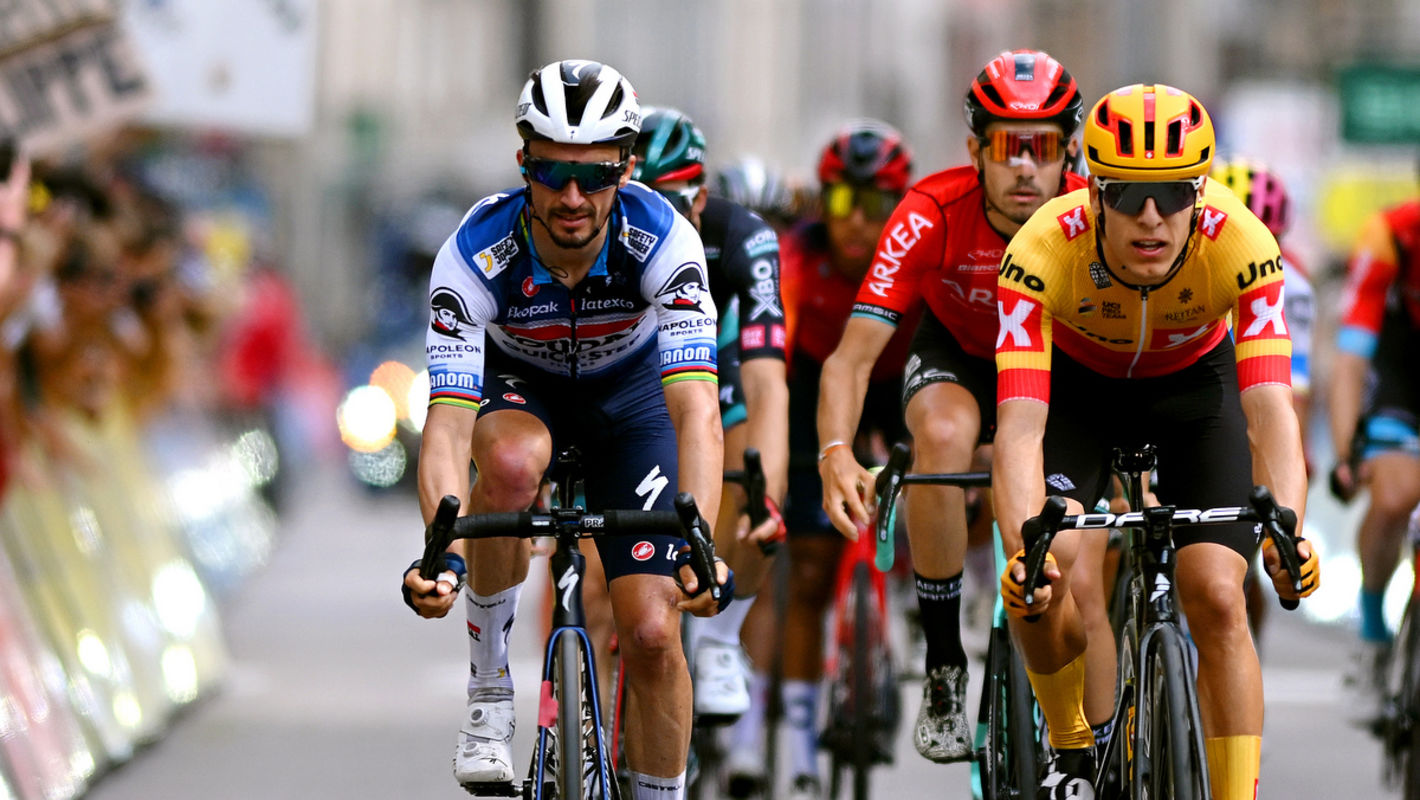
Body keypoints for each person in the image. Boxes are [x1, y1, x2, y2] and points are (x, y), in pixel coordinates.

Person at [401, 60, 730, 800]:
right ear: (523, 162)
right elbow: (449, 430)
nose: (574, 196)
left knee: (651, 632)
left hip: (633, 402)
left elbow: (696, 413)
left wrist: (700, 538)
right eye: (551, 172)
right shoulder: (475, 253)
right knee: (512, 464)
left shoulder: (663, 241)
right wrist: (440, 553)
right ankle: (488, 695)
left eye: (597, 174)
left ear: (628, 166)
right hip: (527, 390)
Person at [991, 84, 1319, 800]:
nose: (1150, 217)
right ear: (1092, 190)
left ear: (1201, 192)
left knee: (1219, 599)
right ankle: (1072, 748)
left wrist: (1289, 532)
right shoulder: (1042, 248)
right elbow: (1019, 429)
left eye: (1173, 195)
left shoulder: (1243, 243)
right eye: (1127, 194)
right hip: (1080, 395)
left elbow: (1270, 408)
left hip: (1195, 394)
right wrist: (1026, 548)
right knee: (1046, 585)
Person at [815, 49, 1093, 763]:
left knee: (1078, 559)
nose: (1027, 167)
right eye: (1008, 147)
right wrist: (837, 454)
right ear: (975, 150)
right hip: (960, 355)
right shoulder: (930, 210)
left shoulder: (1099, 213)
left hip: (1062, 368)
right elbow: (850, 358)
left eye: (1045, 148)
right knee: (941, 438)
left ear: (1071, 153)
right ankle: (943, 662)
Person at [726, 119, 917, 800]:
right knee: (806, 571)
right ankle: (793, 744)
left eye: (877, 208)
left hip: (896, 381)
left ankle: (930, 594)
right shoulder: (797, 253)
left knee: (940, 475)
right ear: (819, 203)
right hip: (814, 383)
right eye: (843, 203)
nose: (859, 224)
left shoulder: (917, 249)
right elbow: (774, 353)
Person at [630, 106, 790, 718]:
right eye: (638, 199)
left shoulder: (744, 239)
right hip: (623, 382)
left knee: (756, 482)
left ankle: (722, 639)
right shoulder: (597, 232)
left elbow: (767, 381)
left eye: (673, 202)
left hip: (712, 376)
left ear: (701, 198)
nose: (655, 220)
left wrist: (766, 491)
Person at [1209, 157, 1316, 652]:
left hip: (1251, 399)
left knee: (1238, 563)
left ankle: (1245, 649)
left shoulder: (1290, 286)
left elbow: (1290, 390)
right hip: (1194, 396)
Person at [1328, 158, 1420, 717]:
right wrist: (1345, 451)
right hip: (1399, 368)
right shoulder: (1388, 235)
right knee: (1392, 496)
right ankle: (1372, 629)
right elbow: (1349, 361)